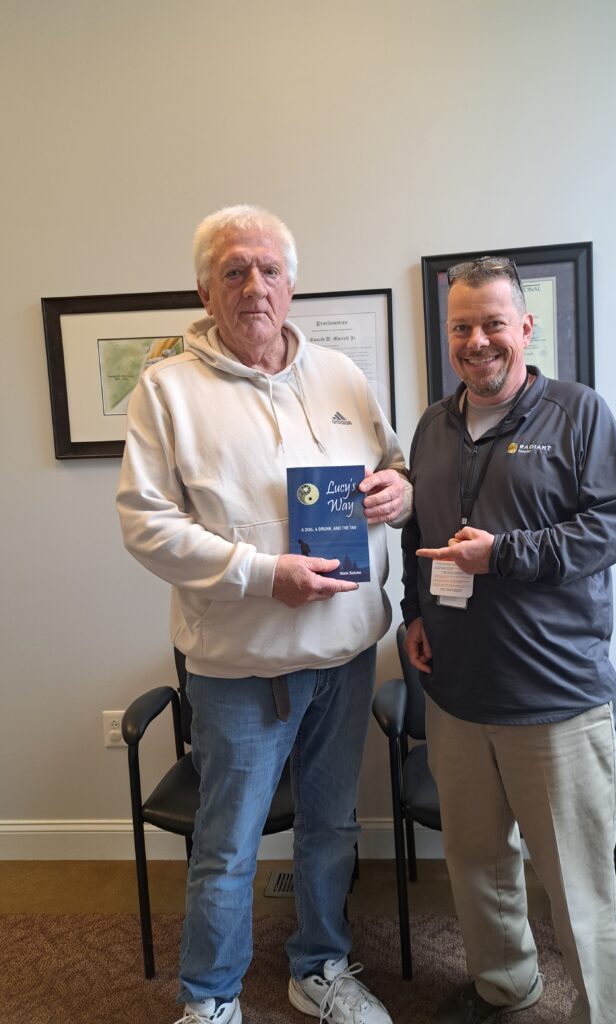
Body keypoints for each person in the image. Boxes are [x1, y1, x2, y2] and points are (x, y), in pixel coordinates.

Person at [117, 204, 411, 1024]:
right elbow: (146, 523)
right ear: (204, 289)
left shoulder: (343, 376)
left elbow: (390, 465)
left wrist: (403, 488)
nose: (255, 286)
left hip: (346, 656)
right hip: (240, 671)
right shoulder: (167, 388)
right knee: (227, 848)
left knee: (331, 826)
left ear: (293, 283)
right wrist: (257, 573)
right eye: (235, 271)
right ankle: (209, 999)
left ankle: (317, 968)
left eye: (269, 269)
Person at [401, 256, 616, 1024]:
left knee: (577, 881)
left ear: (526, 328)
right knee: (477, 867)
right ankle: (507, 984)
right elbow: (420, 531)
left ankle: (608, 1012)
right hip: (458, 696)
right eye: (461, 327)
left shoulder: (578, 413)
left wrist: (503, 554)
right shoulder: (431, 427)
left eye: (493, 323)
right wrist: (413, 614)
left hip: (555, 700)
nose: (478, 341)